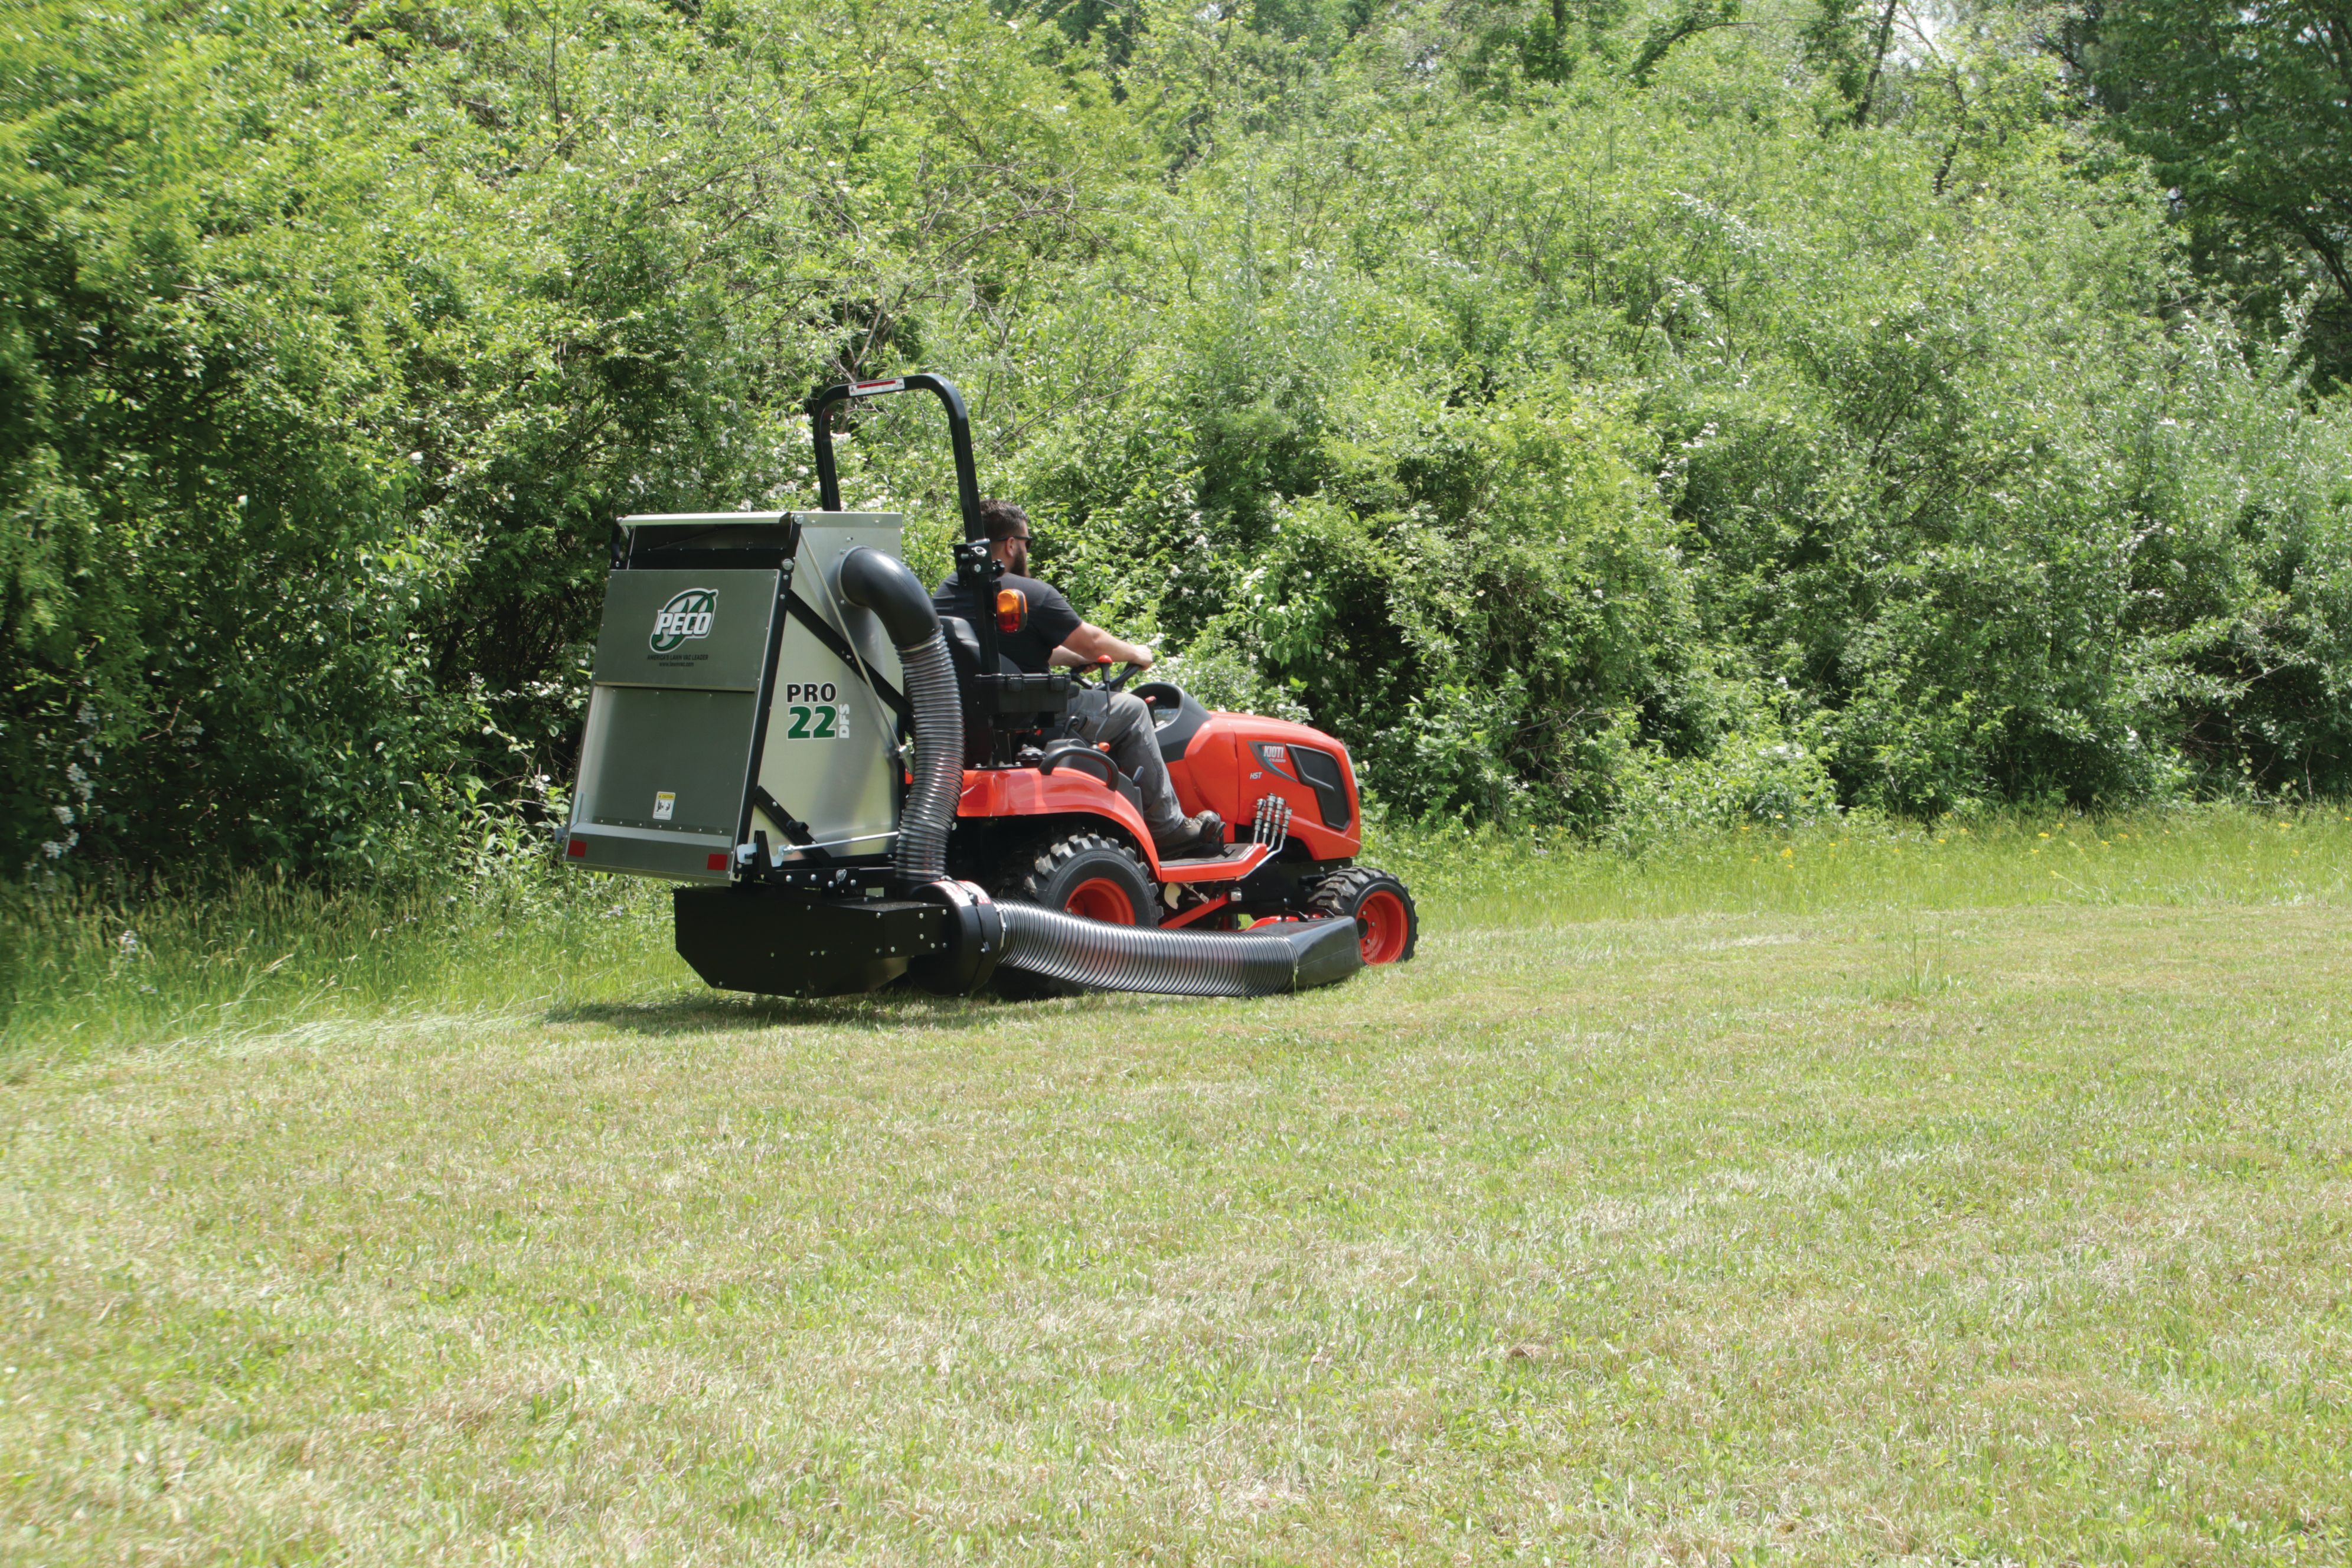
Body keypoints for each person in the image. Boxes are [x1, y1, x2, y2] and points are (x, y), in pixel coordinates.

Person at [931, 499, 1224, 859]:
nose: (1026, 550)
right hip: (1029, 719)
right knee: (1131, 710)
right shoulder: (1027, 592)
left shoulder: (946, 595)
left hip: (970, 725)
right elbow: (1092, 640)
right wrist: (1135, 653)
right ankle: (1169, 827)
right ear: (1011, 544)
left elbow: (998, 651)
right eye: (1027, 542)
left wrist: (1073, 658)